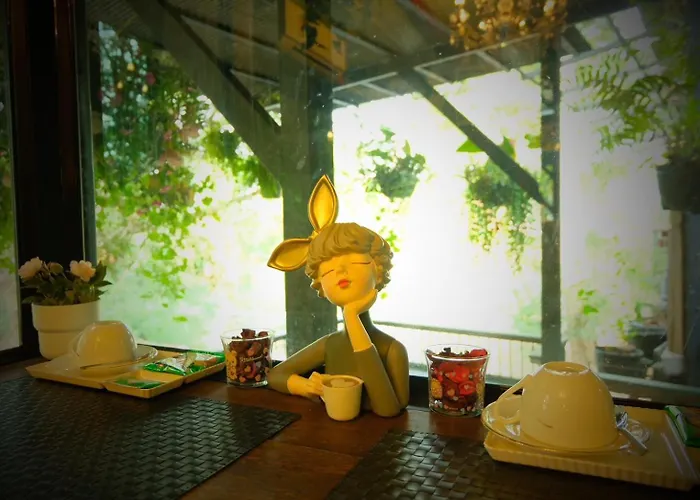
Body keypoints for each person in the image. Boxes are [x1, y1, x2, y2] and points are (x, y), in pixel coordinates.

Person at [266, 175, 409, 417]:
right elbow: (275, 375)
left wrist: (351, 316)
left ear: (378, 269)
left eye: (354, 261)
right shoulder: (330, 345)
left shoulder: (392, 350)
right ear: (320, 283)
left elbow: (387, 409)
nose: (341, 270)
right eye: (329, 270)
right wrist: (307, 387)